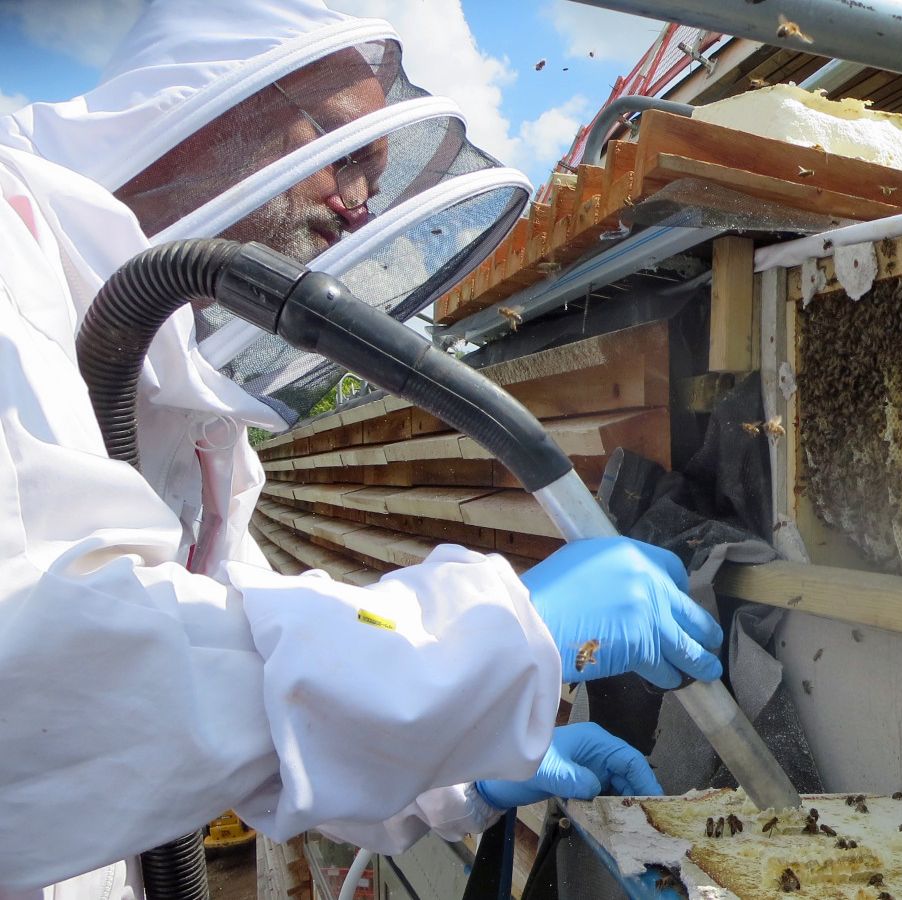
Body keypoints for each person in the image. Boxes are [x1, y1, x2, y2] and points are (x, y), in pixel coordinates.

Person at [0, 1, 714, 895]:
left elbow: (238, 663)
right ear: (217, 104)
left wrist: (464, 771)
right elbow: (50, 689)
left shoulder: (192, 422)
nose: (361, 203)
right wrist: (499, 638)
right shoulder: (9, 265)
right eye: (345, 152)